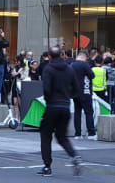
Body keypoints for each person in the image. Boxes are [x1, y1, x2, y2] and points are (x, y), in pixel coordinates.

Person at [38, 47, 82, 176]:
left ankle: (47, 166)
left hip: (52, 105)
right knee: (61, 136)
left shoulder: (48, 69)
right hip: (65, 106)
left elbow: (46, 88)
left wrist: (48, 100)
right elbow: (76, 88)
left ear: (50, 57)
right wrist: (68, 97)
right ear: (62, 55)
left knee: (46, 134)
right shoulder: (69, 69)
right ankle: (73, 155)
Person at [71, 52, 96, 139]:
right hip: (85, 92)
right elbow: (92, 75)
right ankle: (91, 133)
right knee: (89, 112)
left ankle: (77, 134)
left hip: (74, 93)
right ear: (84, 58)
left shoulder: (72, 65)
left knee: (77, 113)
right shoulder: (84, 65)